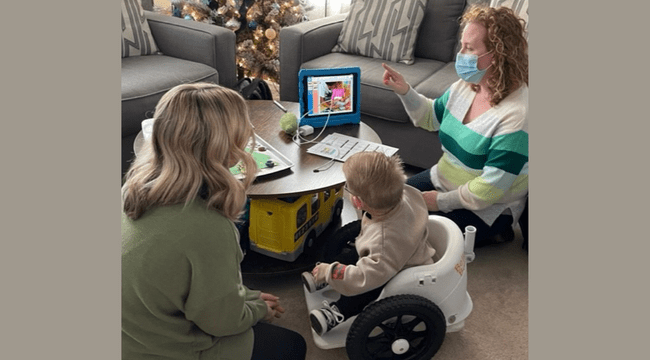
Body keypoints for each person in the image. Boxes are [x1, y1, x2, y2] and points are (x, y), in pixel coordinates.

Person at [121, 83, 306, 360]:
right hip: (165, 350)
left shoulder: (130, 193)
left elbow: (185, 283)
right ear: (224, 147)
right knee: (292, 346)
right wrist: (256, 310)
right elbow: (220, 322)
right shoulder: (208, 228)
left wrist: (245, 298)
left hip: (128, 338)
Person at [381, 5, 529, 247]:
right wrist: (405, 91)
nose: (461, 54)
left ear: (498, 55)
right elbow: (430, 117)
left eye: (469, 48)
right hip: (442, 178)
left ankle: (498, 231)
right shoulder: (467, 86)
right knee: (383, 206)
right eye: (462, 45)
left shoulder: (518, 114)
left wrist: (440, 202)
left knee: (405, 236)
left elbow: (489, 190)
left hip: (488, 208)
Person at [301, 151, 436, 336]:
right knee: (352, 254)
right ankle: (326, 277)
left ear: (357, 202)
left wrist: (332, 271)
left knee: (364, 291)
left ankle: (337, 312)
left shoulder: (383, 241)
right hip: (402, 246)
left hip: (400, 270)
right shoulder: (404, 192)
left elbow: (365, 278)